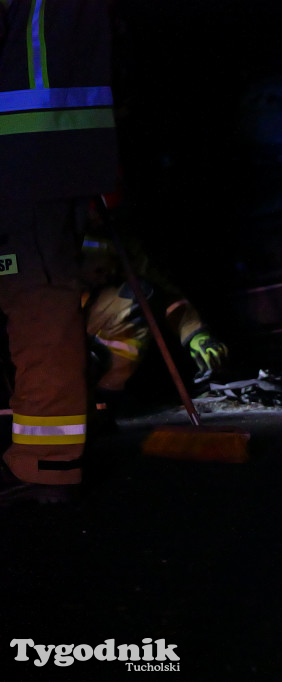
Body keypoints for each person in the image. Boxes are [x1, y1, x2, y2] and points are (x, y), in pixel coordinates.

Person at [0, 0, 118, 505]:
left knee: (39, 303)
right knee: (36, 299)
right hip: (44, 162)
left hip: (30, 165)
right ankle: (46, 457)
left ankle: (49, 465)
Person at [80, 201, 230, 420]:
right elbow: (13, 268)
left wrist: (196, 334)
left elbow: (162, 292)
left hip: (86, 319)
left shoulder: (118, 234)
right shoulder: (38, 227)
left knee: (140, 293)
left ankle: (107, 395)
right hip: (44, 323)